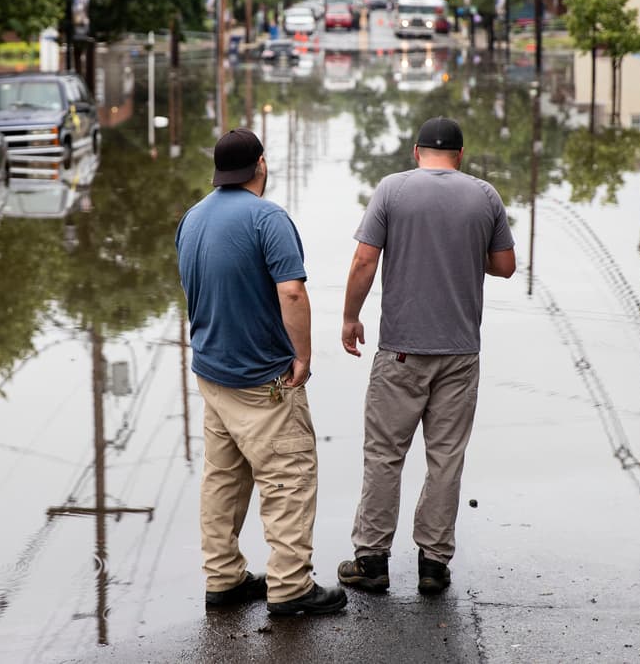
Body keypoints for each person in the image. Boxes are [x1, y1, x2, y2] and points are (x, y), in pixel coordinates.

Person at [337, 116, 516, 595]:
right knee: (446, 459)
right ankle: (433, 565)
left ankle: (372, 562)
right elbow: (505, 266)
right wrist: (460, 252)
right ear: (460, 155)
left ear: (417, 152)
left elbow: (364, 260)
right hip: (460, 352)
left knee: (384, 454)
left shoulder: (392, 190)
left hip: (400, 351)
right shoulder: (484, 196)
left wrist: (350, 317)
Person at [176, 128, 347, 617]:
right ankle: (291, 587)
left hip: (212, 372)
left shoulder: (193, 217)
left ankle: (223, 577)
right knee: (288, 476)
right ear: (261, 166)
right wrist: (303, 357)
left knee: (223, 479)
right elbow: (291, 292)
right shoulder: (268, 219)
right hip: (261, 379)